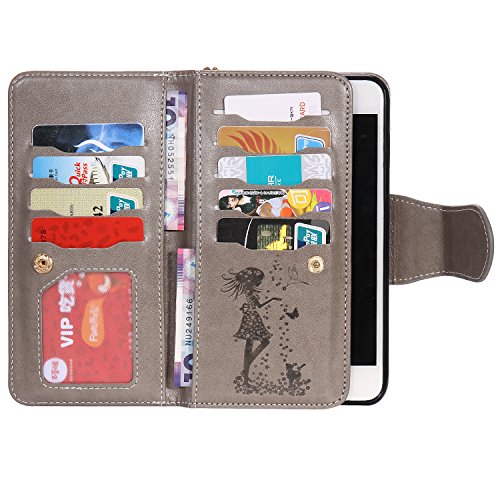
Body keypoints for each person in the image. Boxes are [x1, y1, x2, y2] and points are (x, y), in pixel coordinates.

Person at [222, 267, 281, 385]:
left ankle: (245, 372)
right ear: (253, 279)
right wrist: (273, 299)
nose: (261, 282)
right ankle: (245, 376)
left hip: (252, 317)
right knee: (252, 345)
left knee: (255, 345)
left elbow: (257, 305)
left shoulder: (249, 291)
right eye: (259, 279)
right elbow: (258, 305)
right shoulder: (250, 292)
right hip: (251, 318)